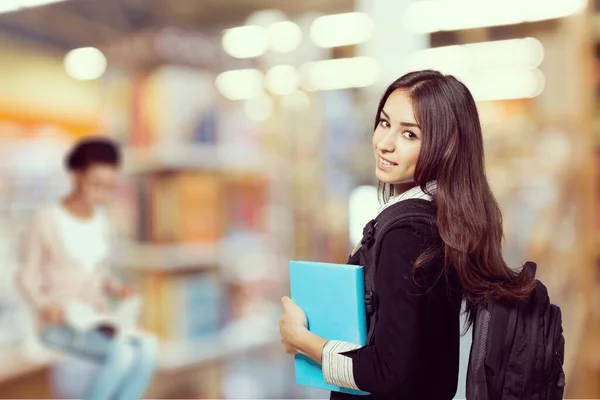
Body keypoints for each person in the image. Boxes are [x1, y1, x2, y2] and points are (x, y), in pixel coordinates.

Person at [278, 70, 536, 399]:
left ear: (446, 145)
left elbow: (390, 373)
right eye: (384, 123)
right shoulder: (445, 220)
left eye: (409, 135)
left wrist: (303, 341)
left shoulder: (407, 233)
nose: (385, 143)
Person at [16, 137, 158, 400]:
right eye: (96, 184)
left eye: (109, 187)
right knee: (122, 353)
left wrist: (116, 289)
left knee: (149, 349)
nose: (102, 194)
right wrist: (45, 304)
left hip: (95, 320)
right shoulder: (45, 220)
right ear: (77, 176)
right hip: (60, 325)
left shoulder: (101, 222)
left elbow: (97, 273)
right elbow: (26, 276)